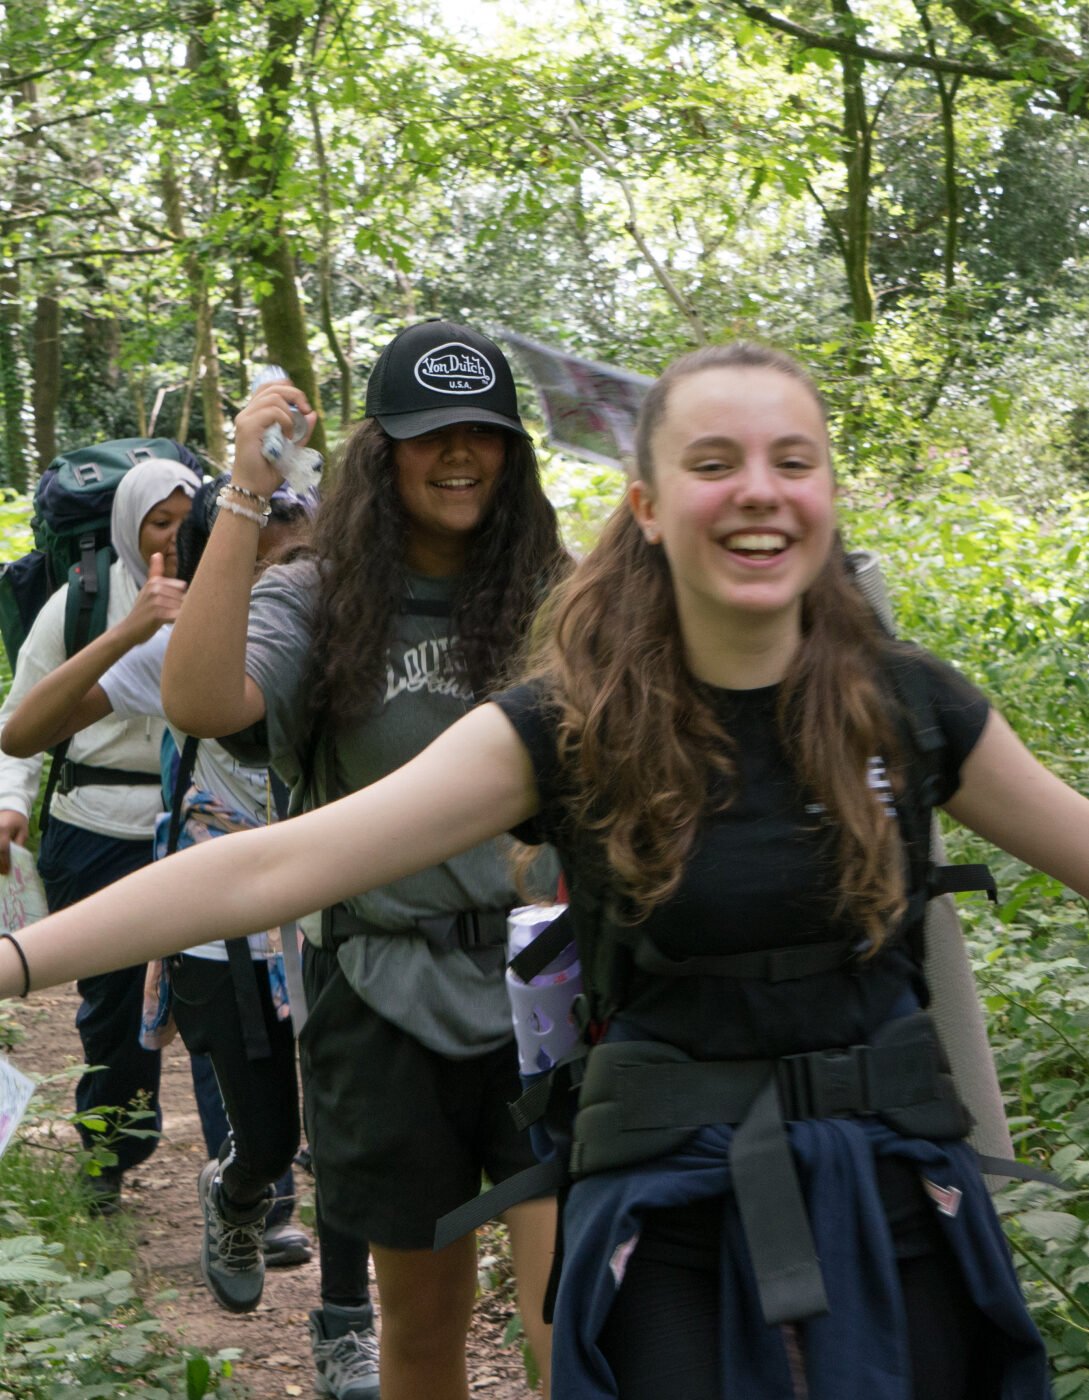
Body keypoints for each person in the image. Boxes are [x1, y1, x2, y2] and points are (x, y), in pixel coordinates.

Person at [2, 340, 1082, 1399]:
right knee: (435, 1317)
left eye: (793, 461)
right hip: (662, 1212)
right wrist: (15, 958)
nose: (759, 491)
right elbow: (269, 866)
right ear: (648, 505)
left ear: (830, 490)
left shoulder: (907, 705)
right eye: (713, 463)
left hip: (893, 1212)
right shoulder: (575, 720)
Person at [159, 322, 568, 1400]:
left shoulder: (558, 598)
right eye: (432, 435)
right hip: (379, 995)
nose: (461, 455)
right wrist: (245, 495)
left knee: (565, 1321)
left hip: (544, 994)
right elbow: (200, 702)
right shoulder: (321, 596)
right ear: (381, 451)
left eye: (486, 432)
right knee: (423, 1328)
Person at [2, 475, 315, 1312]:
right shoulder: (137, 632)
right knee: (148, 1045)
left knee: (334, 1124)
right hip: (177, 886)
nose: (290, 581)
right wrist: (133, 628)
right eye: (159, 525)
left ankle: (331, 1297)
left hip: (316, 903)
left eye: (306, 562)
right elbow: (22, 728)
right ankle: (180, 1175)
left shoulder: (331, 633)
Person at [0, 457, 198, 1212]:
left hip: (189, 824)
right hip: (93, 827)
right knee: (111, 1003)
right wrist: (10, 803)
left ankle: (253, 1173)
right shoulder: (79, 602)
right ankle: (109, 1152)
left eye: (187, 522)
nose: (174, 540)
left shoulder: (222, 597)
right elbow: (20, 717)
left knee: (215, 994)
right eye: (159, 523)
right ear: (127, 527)